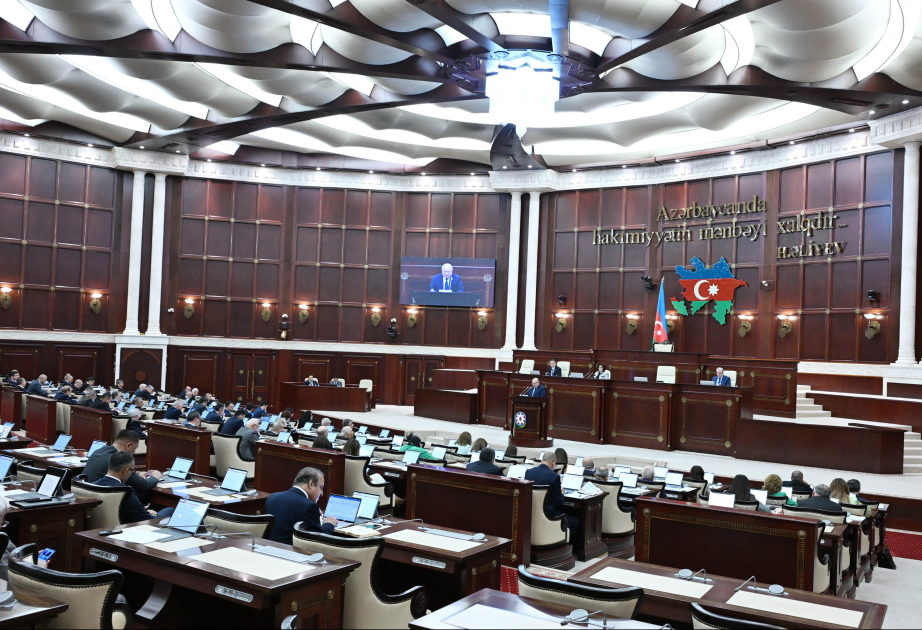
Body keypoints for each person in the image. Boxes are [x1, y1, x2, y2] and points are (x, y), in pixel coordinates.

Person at [94, 452, 174, 523]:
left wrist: (140, 509)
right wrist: (153, 514)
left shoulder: (92, 485)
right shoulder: (125, 491)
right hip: (128, 527)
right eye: (132, 471)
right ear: (126, 471)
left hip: (101, 528)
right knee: (170, 510)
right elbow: (146, 520)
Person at [265, 467, 337, 545]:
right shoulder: (309, 506)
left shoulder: (272, 497)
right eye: (321, 487)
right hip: (289, 551)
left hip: (268, 549)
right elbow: (318, 542)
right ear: (311, 483)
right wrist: (328, 524)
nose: (322, 493)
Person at [84, 430, 160, 503]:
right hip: (102, 499)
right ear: (128, 445)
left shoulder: (100, 450)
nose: (134, 452)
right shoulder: (118, 459)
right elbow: (142, 485)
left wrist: (136, 473)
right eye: (135, 448)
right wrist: (155, 477)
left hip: (87, 495)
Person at [525, 452, 579, 537]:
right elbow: (559, 503)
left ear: (542, 461)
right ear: (553, 463)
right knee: (576, 521)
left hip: (531, 515)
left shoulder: (528, 472)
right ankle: (562, 542)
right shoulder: (554, 477)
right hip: (549, 516)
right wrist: (562, 493)